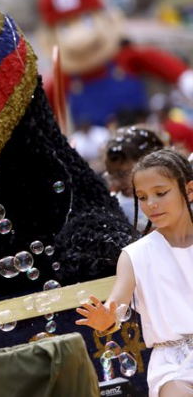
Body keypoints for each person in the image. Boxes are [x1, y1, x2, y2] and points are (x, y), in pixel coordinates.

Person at [76, 149, 193, 396]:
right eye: (141, 196)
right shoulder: (135, 254)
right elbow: (116, 305)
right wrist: (106, 319)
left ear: (189, 190)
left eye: (161, 193)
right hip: (173, 363)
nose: (151, 204)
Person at [102, 126, 164, 232]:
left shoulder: (176, 196)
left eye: (123, 174)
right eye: (112, 176)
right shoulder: (117, 207)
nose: (117, 183)